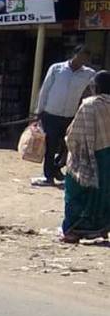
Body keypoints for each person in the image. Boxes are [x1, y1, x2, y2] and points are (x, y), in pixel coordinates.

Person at [32, 46, 97, 187]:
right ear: (74, 54)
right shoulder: (57, 69)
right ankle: (48, 176)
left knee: (68, 146)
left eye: (85, 58)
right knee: (51, 146)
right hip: (51, 113)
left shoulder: (89, 74)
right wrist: (39, 110)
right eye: (80, 56)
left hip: (71, 116)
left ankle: (57, 167)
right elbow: (45, 89)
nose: (82, 60)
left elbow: (92, 91)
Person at [61, 71, 110, 242]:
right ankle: (101, 226)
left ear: (96, 87)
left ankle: (73, 230)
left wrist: (66, 148)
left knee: (76, 188)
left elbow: (75, 135)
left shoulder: (90, 105)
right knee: (104, 193)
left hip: (90, 154)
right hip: (107, 155)